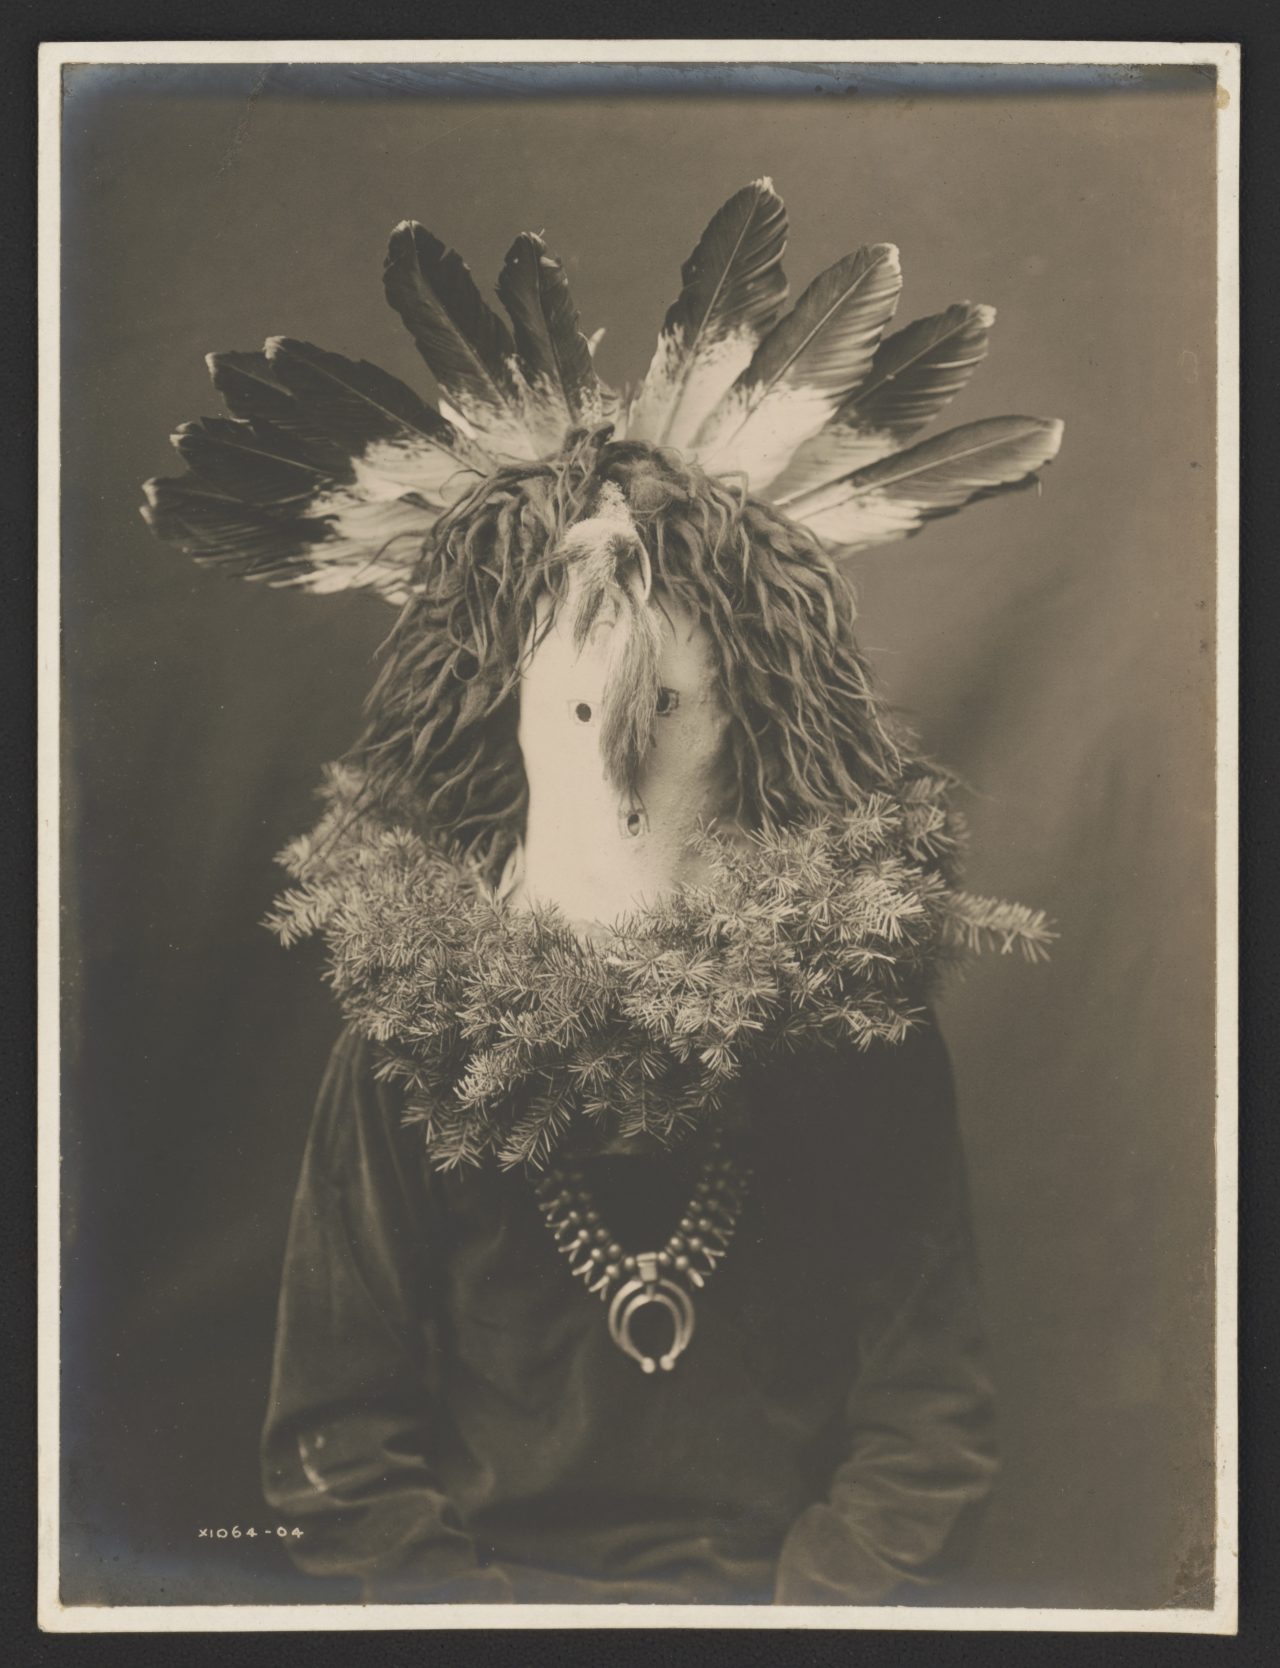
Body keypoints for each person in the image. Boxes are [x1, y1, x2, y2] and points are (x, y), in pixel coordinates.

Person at [143, 181, 1061, 1605]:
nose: (624, 752)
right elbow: (341, 1450)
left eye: (675, 704)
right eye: (579, 709)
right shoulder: (398, 1058)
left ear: (745, 717)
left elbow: (924, 1429)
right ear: (513, 720)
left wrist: (811, 1619)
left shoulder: (859, 1041)